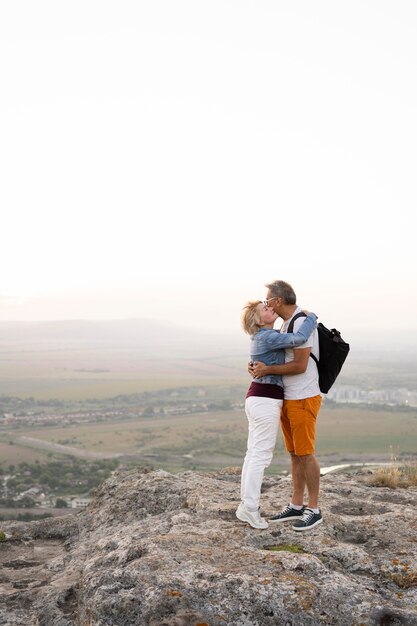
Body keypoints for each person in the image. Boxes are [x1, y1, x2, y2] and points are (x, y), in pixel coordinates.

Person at [237, 300, 317, 530]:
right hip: (265, 399)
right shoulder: (266, 336)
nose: (270, 308)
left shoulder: (266, 336)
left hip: (259, 397)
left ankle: (247, 506)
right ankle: (250, 509)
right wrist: (310, 316)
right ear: (259, 320)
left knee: (253, 454)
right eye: (265, 309)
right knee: (260, 456)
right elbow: (299, 339)